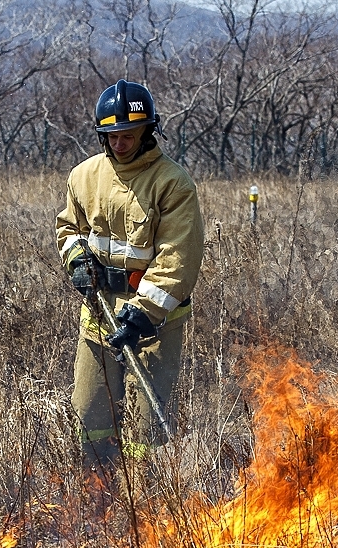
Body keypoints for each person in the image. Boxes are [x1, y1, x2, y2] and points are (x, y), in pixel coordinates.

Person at [54, 79, 204, 512]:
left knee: (146, 430)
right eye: (113, 136)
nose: (120, 144)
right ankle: (96, 507)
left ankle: (150, 510)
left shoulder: (172, 183)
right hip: (98, 317)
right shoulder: (84, 176)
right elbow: (69, 229)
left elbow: (179, 259)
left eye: (129, 135)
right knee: (90, 415)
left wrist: (142, 314)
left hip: (152, 325)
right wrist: (76, 260)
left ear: (147, 131)